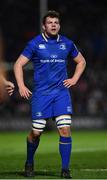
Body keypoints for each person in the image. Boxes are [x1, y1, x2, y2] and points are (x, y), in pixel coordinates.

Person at [14, 10, 86, 179]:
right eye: (50, 22)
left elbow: (81, 61)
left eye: (56, 22)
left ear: (59, 25)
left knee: (65, 130)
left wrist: (75, 78)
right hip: (42, 94)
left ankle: (65, 169)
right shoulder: (34, 44)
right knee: (37, 131)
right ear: (44, 26)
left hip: (61, 94)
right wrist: (21, 85)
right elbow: (18, 64)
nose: (53, 25)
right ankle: (29, 162)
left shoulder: (67, 43)